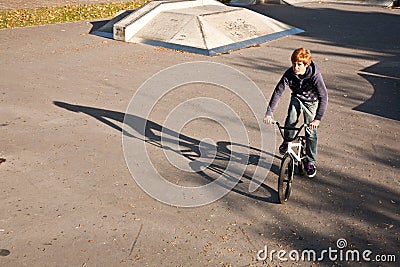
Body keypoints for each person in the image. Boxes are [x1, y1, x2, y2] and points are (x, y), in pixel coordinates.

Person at [263, 48, 328, 178]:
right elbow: (278, 92)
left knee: (310, 131)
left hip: (311, 102)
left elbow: (324, 97)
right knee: (291, 119)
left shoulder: (315, 76)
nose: (295, 67)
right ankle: (287, 141)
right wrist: (269, 113)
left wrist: (317, 119)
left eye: (299, 64)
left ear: (306, 65)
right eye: (294, 63)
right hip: (297, 97)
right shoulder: (289, 74)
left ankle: (310, 162)